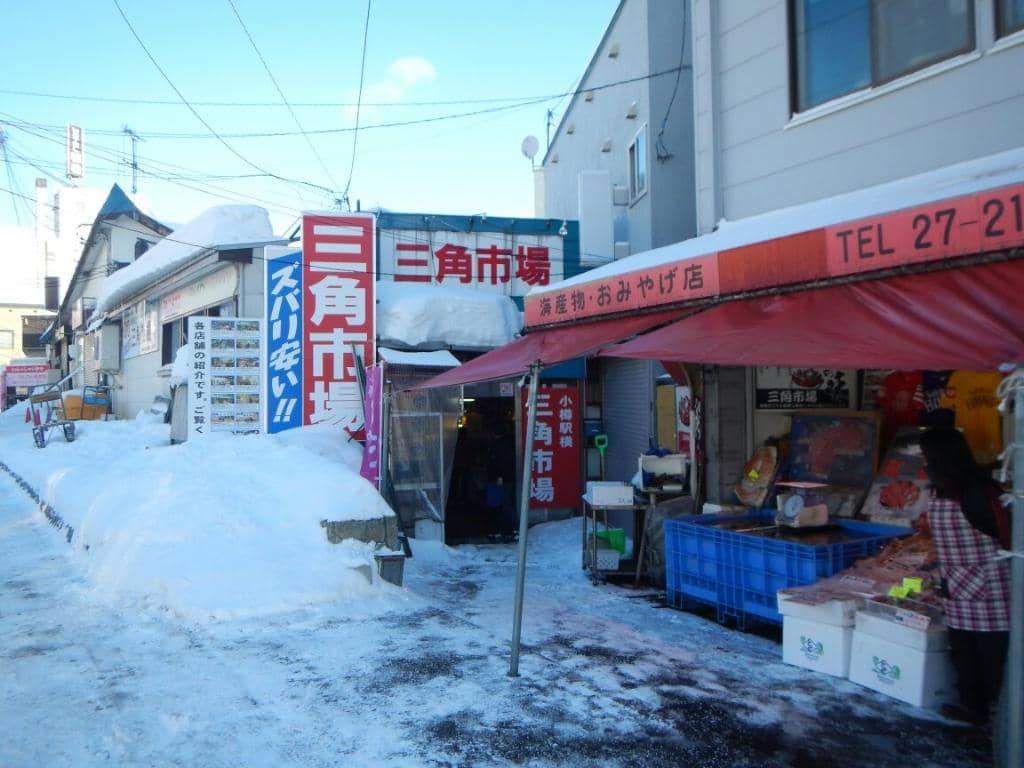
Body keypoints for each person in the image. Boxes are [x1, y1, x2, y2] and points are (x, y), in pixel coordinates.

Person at [919, 427, 1010, 727]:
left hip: (992, 586)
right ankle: (974, 708)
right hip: (957, 583)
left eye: (927, 458)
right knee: (963, 649)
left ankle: (1005, 721)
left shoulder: (980, 493)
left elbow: (1005, 535)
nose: (924, 464)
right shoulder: (939, 489)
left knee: (993, 656)